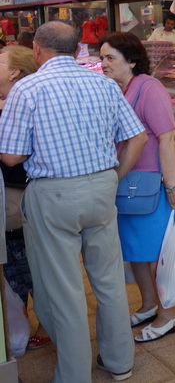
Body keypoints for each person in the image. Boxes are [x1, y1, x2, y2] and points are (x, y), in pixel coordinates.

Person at [0, 21, 147, 382]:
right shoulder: (103, 83)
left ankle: (74, 374)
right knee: (110, 281)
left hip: (53, 195)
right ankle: (119, 362)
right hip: (101, 189)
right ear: (77, 47)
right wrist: (114, 176)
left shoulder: (27, 88)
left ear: (37, 50)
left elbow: (10, 157)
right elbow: (137, 137)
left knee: (64, 291)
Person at [100, 32, 175, 342]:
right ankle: (149, 304)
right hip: (129, 183)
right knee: (135, 250)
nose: (104, 64)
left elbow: (166, 137)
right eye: (102, 58)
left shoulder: (149, 89)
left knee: (154, 253)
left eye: (111, 58)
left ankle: (169, 314)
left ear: (132, 61)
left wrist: (170, 186)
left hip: (155, 183)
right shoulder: (118, 90)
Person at [0, 46, 52, 351]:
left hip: (20, 197)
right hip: (17, 196)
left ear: (14, 72)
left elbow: (12, 158)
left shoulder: (21, 106)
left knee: (27, 266)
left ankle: (44, 322)